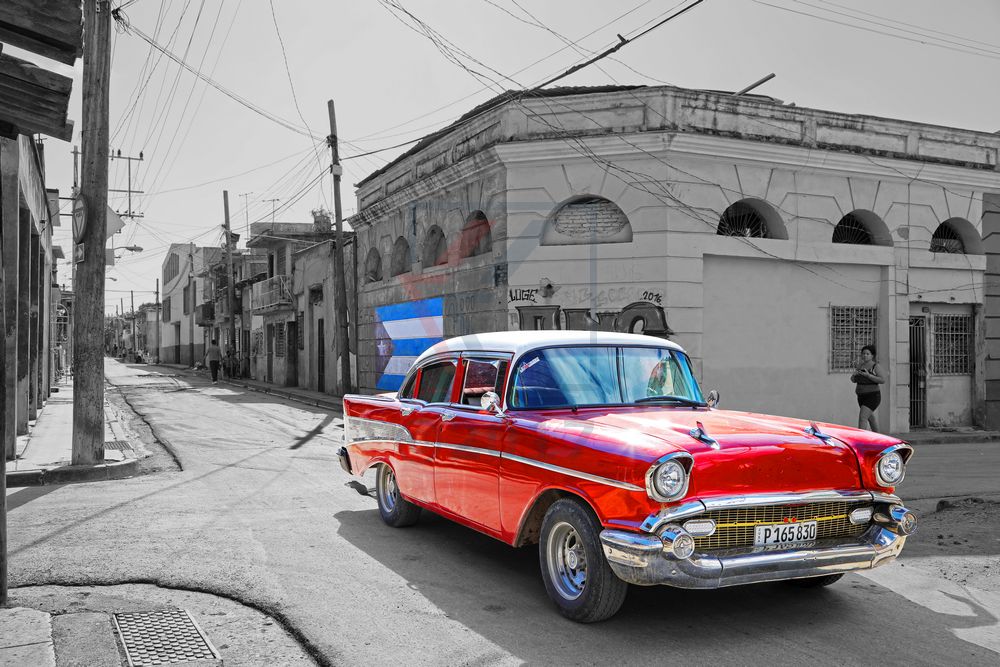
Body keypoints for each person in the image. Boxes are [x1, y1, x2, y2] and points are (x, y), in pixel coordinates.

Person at [851, 344, 885, 432]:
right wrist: (854, 376)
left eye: (867, 354)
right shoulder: (860, 366)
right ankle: (878, 438)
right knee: (870, 418)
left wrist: (868, 375)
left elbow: (882, 380)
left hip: (872, 396)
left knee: (862, 417)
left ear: (872, 356)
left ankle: (862, 440)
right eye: (863, 354)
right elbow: (853, 380)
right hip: (861, 396)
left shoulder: (875, 366)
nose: (865, 355)